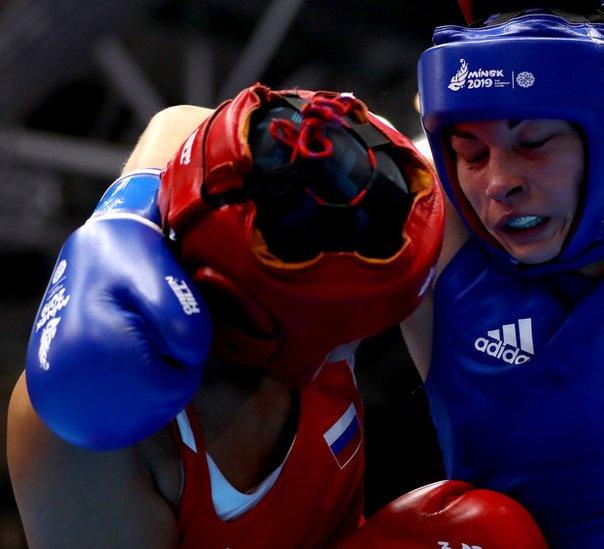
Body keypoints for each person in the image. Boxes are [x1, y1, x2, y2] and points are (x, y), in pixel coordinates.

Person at [14, 1, 604, 547]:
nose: (497, 182)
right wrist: (122, 223)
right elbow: (200, 124)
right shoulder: (447, 248)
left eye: (534, 142)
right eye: (467, 149)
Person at [8, 84, 547, 548]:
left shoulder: (306, 234)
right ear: (269, 322)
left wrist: (124, 215)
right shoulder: (90, 431)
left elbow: (185, 122)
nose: (371, 327)